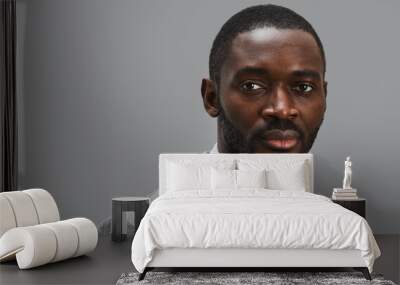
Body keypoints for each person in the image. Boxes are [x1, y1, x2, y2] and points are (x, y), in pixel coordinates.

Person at [201, 4, 327, 154]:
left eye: (303, 87)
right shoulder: (176, 178)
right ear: (212, 98)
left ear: (324, 97)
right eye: (251, 86)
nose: (282, 110)